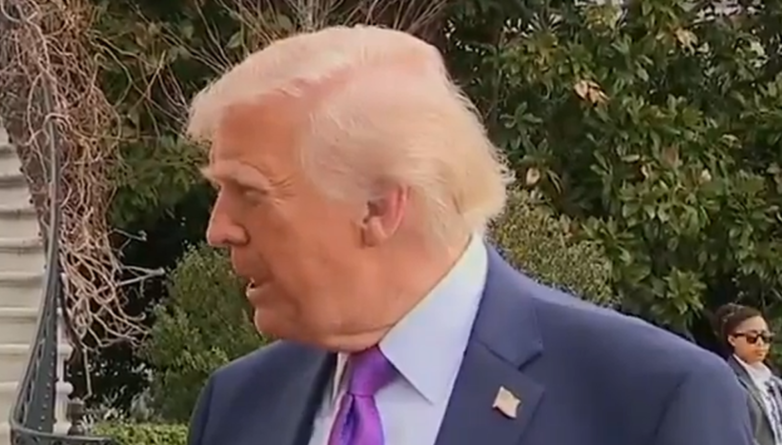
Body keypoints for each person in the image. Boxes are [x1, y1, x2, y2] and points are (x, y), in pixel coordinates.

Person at [184, 25, 752, 445]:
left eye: (250, 192)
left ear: (380, 206)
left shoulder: (651, 402)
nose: (218, 229)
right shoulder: (239, 404)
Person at [715, 303, 781, 445]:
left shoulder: (774, 382)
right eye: (752, 337)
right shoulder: (726, 379)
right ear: (732, 339)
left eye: (766, 337)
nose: (760, 343)